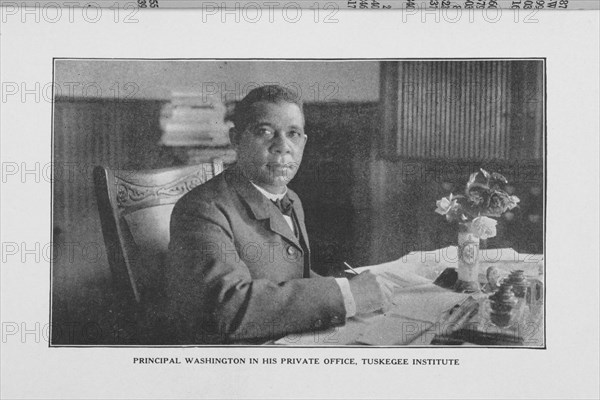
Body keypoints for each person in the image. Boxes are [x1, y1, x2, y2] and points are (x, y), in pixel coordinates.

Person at [165, 85, 392, 344]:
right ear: (235, 139)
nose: (282, 146)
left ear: (303, 143)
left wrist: (349, 288)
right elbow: (227, 308)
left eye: (293, 134)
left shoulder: (290, 199)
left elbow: (294, 277)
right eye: (265, 132)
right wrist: (345, 296)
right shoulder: (202, 209)